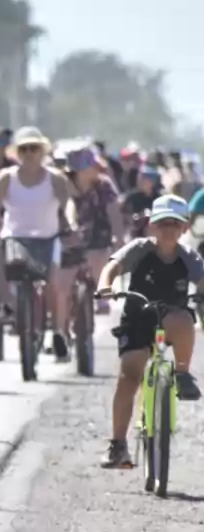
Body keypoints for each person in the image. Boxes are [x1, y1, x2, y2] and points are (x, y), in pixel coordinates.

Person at [97, 194, 203, 469]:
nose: (168, 229)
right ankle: (118, 445)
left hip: (170, 319)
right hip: (138, 317)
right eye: (162, 223)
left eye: (175, 223)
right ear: (152, 226)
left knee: (183, 319)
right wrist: (105, 285)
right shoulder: (140, 248)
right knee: (129, 377)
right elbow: (112, 266)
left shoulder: (188, 256)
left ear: (184, 228)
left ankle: (182, 373)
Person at [0, 126, 78, 363]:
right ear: (17, 152)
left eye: (34, 148)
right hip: (16, 237)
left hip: (47, 238)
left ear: (43, 151)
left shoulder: (55, 178)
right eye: (24, 149)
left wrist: (71, 222)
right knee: (1, 258)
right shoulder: (6, 178)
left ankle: (57, 333)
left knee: (52, 283)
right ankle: (8, 305)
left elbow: (68, 204)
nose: (29, 153)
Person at [63, 145, 122, 312]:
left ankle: (102, 291)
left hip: (98, 230)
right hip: (69, 230)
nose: (98, 169)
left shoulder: (104, 185)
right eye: (93, 165)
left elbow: (114, 213)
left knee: (99, 255)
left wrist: (119, 238)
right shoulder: (64, 184)